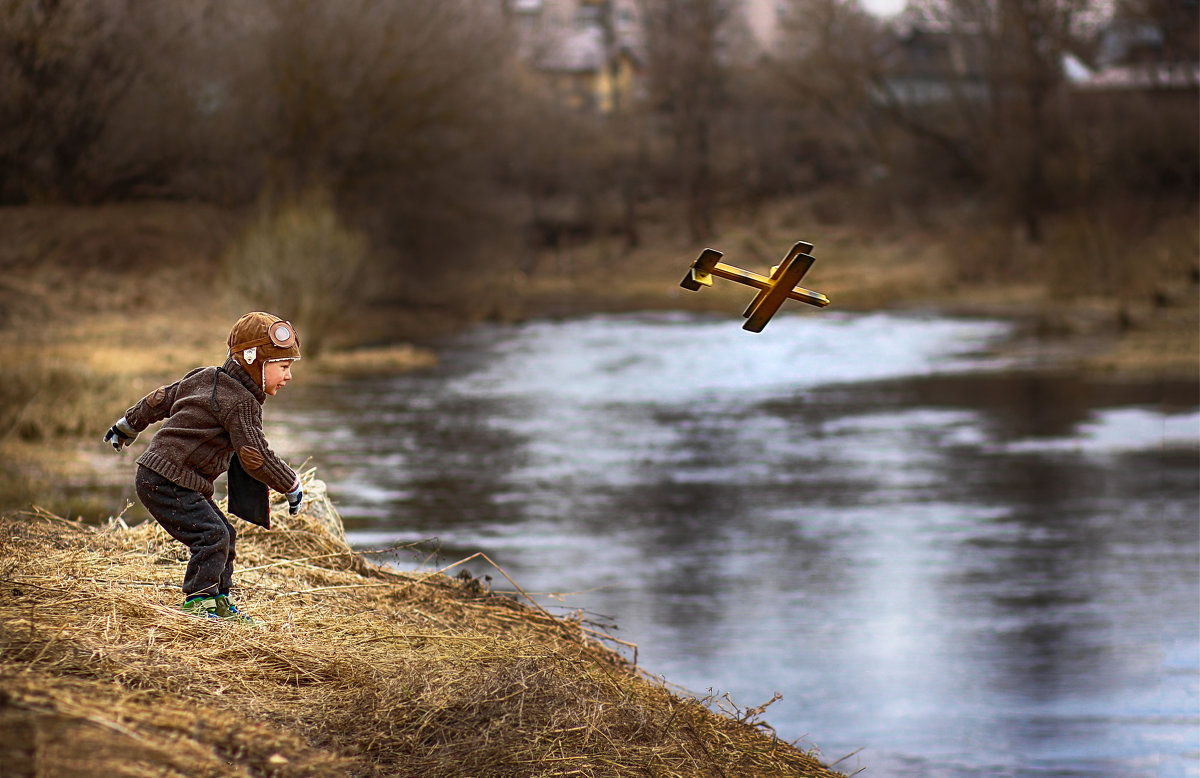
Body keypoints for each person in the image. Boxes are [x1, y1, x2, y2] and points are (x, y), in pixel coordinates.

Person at [104, 312, 305, 623]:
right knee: (211, 537)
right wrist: (291, 484)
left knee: (225, 533)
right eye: (283, 367)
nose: (289, 376)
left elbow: (159, 399)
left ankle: (219, 599)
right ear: (253, 361)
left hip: (165, 476)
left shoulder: (204, 376)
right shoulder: (241, 403)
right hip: (167, 479)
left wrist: (128, 424)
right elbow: (256, 456)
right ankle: (198, 603)